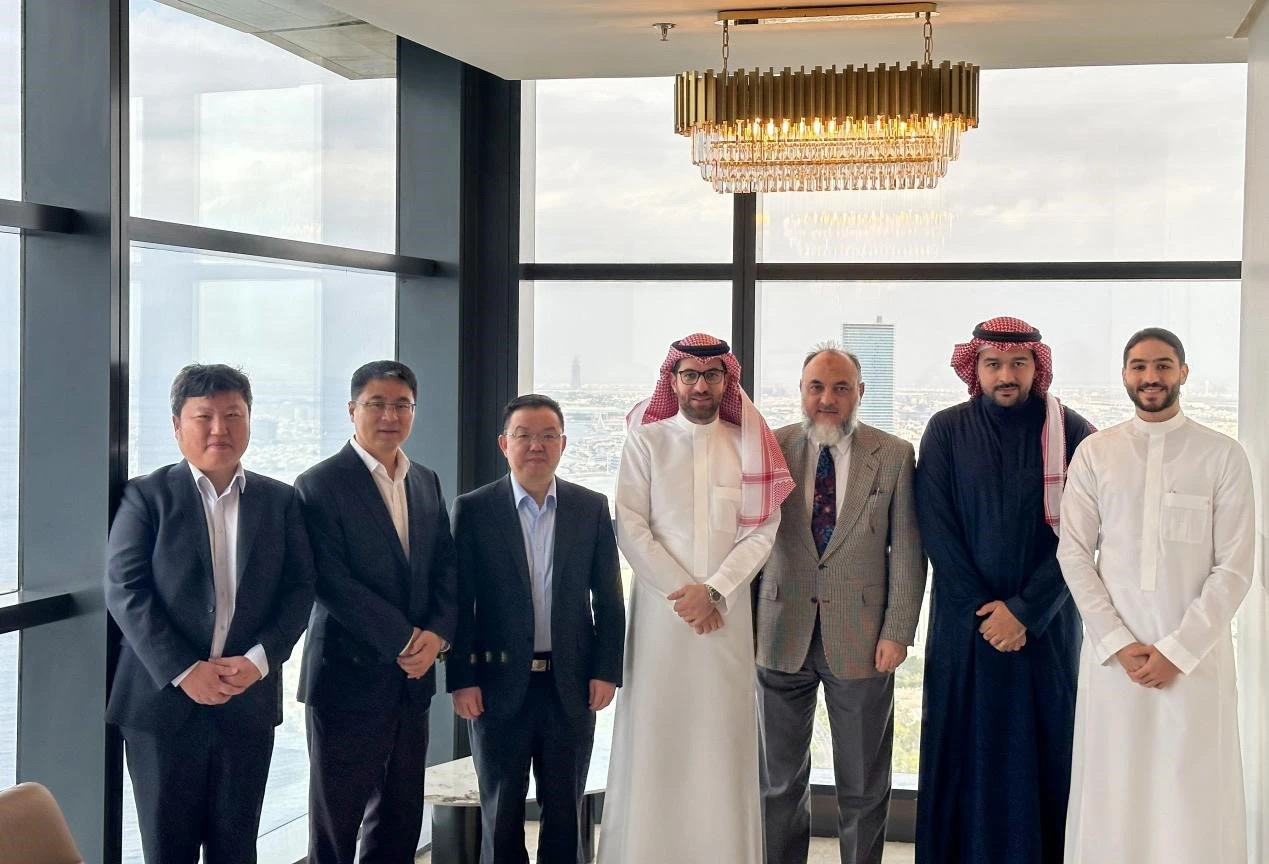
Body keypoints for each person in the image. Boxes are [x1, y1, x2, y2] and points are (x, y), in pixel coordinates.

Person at [1057, 328, 1253, 863]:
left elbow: (1234, 567)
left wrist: (1178, 651)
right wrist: (1118, 642)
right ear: (1125, 375)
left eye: (1163, 365)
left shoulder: (1222, 455)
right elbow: (1074, 554)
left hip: (1195, 662)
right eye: (1140, 366)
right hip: (1114, 661)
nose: (1151, 377)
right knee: (1112, 788)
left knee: (1191, 792)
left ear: (1183, 372)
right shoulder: (1095, 453)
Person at [105, 364, 315, 864]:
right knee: (168, 850)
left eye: (233, 415)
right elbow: (126, 589)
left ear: (250, 420)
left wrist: (260, 661)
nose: (220, 428)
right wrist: (184, 670)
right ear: (177, 425)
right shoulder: (147, 496)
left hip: (247, 700)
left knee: (236, 848)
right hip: (161, 706)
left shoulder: (280, 500)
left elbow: (300, 590)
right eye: (204, 416)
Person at [597, 333, 793, 864]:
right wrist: (684, 595)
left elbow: (762, 529)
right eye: (689, 375)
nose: (700, 385)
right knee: (657, 733)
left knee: (721, 738)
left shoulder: (749, 444)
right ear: (673, 380)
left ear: (727, 380)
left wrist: (714, 591)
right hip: (661, 619)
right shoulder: (647, 440)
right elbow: (630, 525)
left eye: (711, 375)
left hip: (726, 617)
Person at [914, 317, 1095, 863]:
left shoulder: (1073, 433)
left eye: (1019, 363)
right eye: (993, 364)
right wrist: (985, 611)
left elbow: (1082, 535)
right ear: (976, 368)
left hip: (1046, 628)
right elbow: (937, 528)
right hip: (965, 629)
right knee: (963, 748)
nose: (1006, 375)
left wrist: (1025, 611)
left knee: (1044, 748)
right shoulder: (946, 430)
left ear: (1038, 367)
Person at [756, 345, 926, 864]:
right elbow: (748, 543)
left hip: (863, 639)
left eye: (840, 388)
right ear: (801, 391)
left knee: (863, 783)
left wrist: (897, 631)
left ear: (860, 393)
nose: (827, 399)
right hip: (779, 633)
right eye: (817, 387)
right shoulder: (769, 448)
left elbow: (908, 551)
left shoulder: (893, 455)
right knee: (778, 782)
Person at [448, 394, 625, 864]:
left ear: (563, 444)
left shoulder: (589, 507)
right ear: (504, 443)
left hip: (570, 684)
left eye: (548, 435)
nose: (536, 445)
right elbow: (460, 604)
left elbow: (609, 599)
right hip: (495, 685)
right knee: (501, 812)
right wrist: (462, 678)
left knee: (565, 811)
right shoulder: (474, 509)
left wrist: (606, 671)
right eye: (524, 435)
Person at [296, 360, 458, 864]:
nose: (391, 415)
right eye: (377, 404)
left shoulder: (425, 481)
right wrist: (405, 640)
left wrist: (437, 635)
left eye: (402, 405)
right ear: (352, 410)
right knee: (336, 826)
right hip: (346, 679)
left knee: (400, 819)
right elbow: (330, 581)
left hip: (412, 680)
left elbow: (446, 569)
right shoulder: (319, 484)